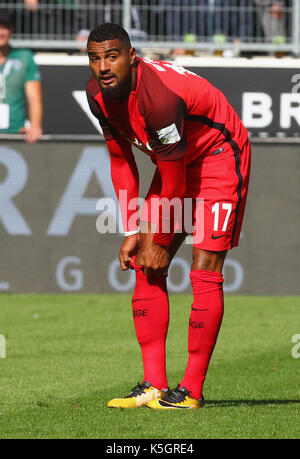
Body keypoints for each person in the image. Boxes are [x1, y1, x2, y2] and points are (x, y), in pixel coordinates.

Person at [86, 23, 251, 409]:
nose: (103, 66)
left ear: (131, 56)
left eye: (112, 56)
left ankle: (190, 391)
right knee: (146, 263)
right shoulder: (97, 94)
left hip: (218, 158)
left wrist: (160, 239)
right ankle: (153, 386)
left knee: (204, 267)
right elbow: (121, 161)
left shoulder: (157, 99)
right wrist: (132, 228)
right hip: (175, 161)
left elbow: (175, 180)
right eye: (95, 58)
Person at [0, 9, 43, 143]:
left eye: (5, 27)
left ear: (11, 30)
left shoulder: (24, 58)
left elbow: (34, 98)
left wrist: (35, 126)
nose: (1, 32)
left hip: (15, 133)